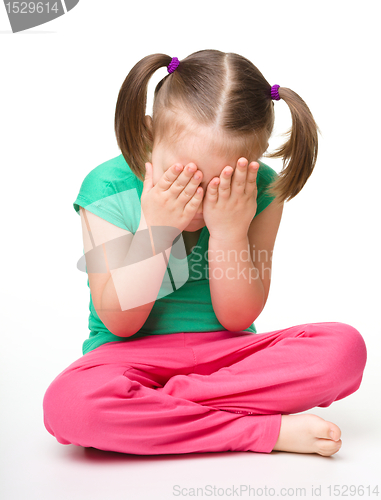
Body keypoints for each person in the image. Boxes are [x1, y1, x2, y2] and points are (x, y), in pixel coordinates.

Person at [43, 50, 367, 457]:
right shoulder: (108, 187)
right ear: (147, 136)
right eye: (182, 178)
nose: (198, 201)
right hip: (125, 359)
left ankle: (157, 406)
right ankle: (255, 430)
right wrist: (155, 228)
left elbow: (237, 318)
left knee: (343, 349)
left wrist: (229, 231)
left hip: (227, 359)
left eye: (220, 185)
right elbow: (120, 322)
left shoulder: (261, 192)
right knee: (71, 406)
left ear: (253, 162)